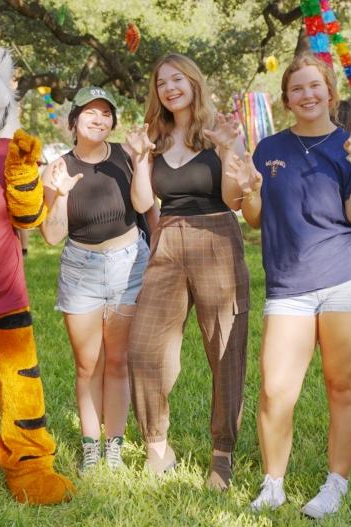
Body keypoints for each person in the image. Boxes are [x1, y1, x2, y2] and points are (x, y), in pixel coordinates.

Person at [228, 54, 351, 518]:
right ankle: (272, 485)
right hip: (289, 285)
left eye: (316, 86)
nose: (308, 95)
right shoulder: (268, 148)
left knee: (344, 386)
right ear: (287, 99)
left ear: (330, 93)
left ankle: (336, 484)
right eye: (297, 88)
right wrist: (251, 191)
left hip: (349, 280)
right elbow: (254, 216)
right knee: (276, 389)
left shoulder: (350, 143)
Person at [126, 53, 250, 490]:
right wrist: (141, 158)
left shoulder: (221, 131)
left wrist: (227, 150)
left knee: (224, 350)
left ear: (194, 83)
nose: (170, 88)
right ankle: (157, 445)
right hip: (168, 238)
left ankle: (222, 454)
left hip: (218, 236)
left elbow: (235, 199)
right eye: (162, 82)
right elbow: (144, 203)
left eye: (177, 79)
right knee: (144, 348)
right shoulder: (154, 138)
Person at [40, 87, 154, 474]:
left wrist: (141, 163)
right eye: (90, 112)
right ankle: (91, 446)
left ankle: (114, 447)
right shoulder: (56, 168)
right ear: (74, 121)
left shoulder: (126, 155)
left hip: (128, 264)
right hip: (81, 269)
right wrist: (59, 196)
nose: (99, 118)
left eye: (106, 113)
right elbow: (52, 236)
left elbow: (142, 205)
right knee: (88, 365)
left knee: (118, 362)